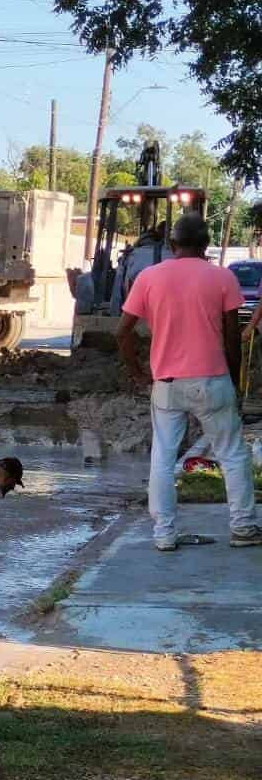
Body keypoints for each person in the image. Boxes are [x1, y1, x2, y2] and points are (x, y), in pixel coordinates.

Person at [116, 213, 261, 550]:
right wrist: (235, 384)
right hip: (212, 380)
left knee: (163, 458)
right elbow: (231, 340)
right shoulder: (222, 278)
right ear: (206, 244)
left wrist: (138, 373)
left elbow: (122, 332)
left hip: (166, 383)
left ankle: (164, 534)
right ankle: (243, 528)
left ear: (171, 244)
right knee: (233, 454)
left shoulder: (149, 277)